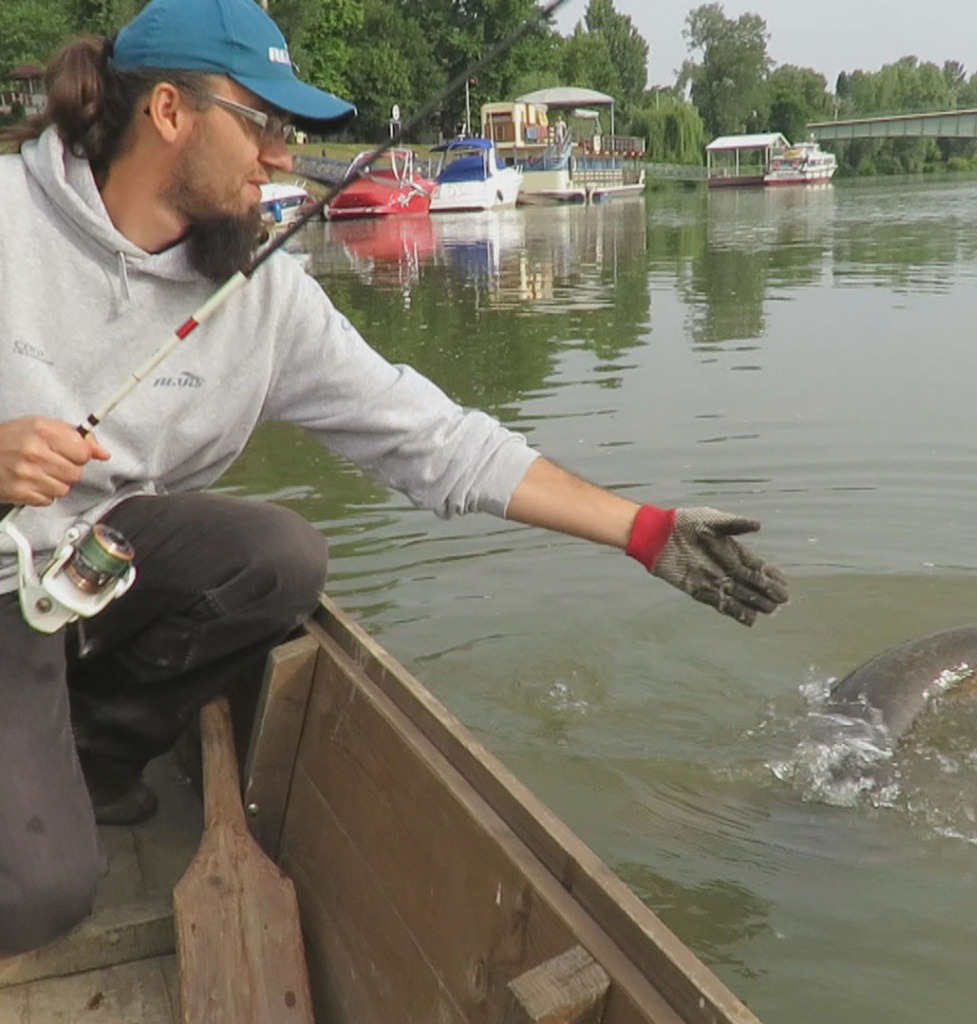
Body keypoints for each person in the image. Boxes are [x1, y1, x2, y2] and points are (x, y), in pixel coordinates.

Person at [0, 0, 789, 956]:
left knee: (279, 558)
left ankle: (90, 748)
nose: (281, 157)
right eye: (263, 124)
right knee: (39, 896)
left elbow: (436, 437)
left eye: (289, 134)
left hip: (90, 566)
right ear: (169, 111)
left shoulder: (262, 293)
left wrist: (644, 530)